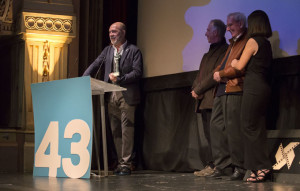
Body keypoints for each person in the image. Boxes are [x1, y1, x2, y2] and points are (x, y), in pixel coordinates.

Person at [83, 22, 143, 176]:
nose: (111, 34)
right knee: (115, 130)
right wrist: (83, 78)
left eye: (114, 31)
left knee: (126, 130)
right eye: (110, 32)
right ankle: (120, 162)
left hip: (126, 93)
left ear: (123, 32)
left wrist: (121, 78)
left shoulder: (134, 50)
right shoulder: (108, 50)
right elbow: (96, 64)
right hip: (110, 94)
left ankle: (126, 164)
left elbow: (137, 72)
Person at [231, 10, 273, 182]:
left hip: (254, 87)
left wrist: (233, 62)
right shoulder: (266, 43)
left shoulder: (252, 41)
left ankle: (262, 166)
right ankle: (255, 168)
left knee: (248, 126)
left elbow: (240, 66)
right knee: (255, 127)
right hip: (263, 87)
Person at [208, 12, 248, 180]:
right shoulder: (232, 43)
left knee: (233, 130)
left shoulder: (246, 41)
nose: (228, 28)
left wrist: (222, 73)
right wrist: (217, 72)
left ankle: (240, 166)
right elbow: (223, 64)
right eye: (227, 25)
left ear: (240, 24)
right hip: (222, 89)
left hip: (234, 88)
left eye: (231, 25)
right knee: (216, 127)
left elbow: (240, 67)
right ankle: (223, 165)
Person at [191, 19, 228, 177]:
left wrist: (199, 89)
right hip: (203, 100)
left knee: (216, 136)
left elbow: (214, 75)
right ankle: (212, 164)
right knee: (208, 136)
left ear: (216, 32)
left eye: (208, 30)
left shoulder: (225, 50)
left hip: (214, 99)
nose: (205, 33)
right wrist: (195, 89)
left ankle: (220, 166)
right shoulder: (207, 54)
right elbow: (200, 75)